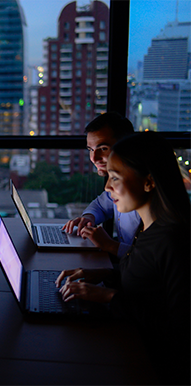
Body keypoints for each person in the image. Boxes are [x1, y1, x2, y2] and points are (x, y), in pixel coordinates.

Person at [56, 132, 191, 383]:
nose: (107, 187)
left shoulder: (172, 241)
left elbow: (179, 330)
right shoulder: (149, 228)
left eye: (115, 178)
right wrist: (104, 275)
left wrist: (109, 296)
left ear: (149, 182)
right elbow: (149, 282)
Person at [62, 112, 140, 258]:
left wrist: (110, 245)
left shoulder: (142, 193)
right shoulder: (118, 185)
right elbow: (101, 205)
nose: (94, 158)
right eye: (90, 150)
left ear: (126, 146)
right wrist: (89, 217)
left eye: (103, 148)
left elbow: (152, 262)